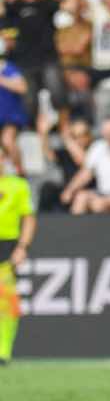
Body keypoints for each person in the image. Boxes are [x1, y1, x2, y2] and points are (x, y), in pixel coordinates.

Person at [0, 146, 34, 365]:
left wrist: (22, 246)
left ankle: (3, 351)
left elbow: (28, 218)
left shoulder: (18, 185)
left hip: (6, 246)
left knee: (5, 302)